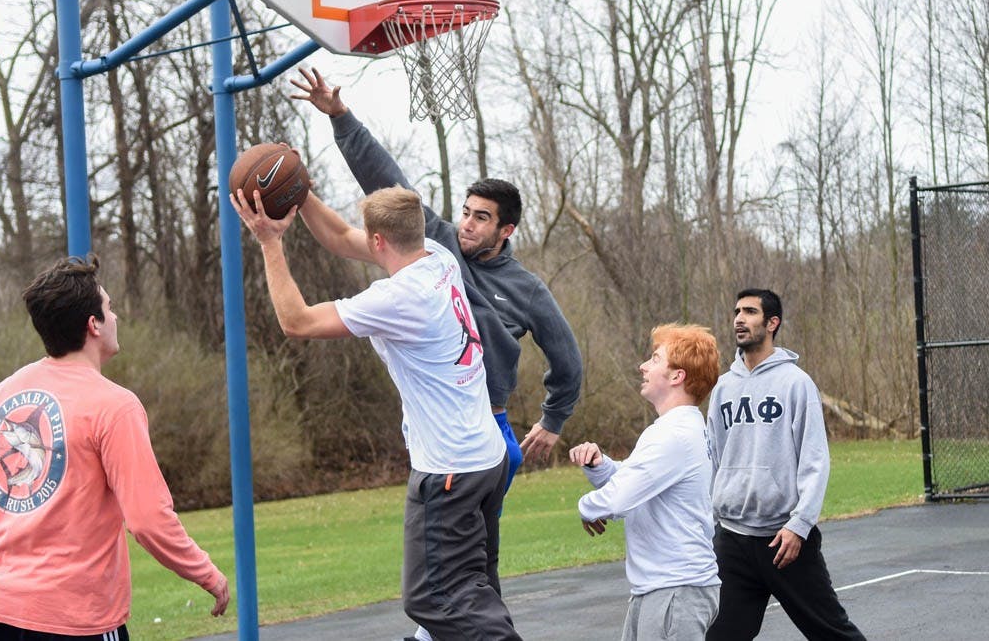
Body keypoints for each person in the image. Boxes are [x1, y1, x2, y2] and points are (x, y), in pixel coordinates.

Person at [230, 185, 522, 640]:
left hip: (450, 472)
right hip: (485, 455)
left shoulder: (398, 298)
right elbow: (344, 235)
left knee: (433, 598)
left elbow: (297, 321)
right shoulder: (439, 256)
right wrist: (301, 191)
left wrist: (270, 241)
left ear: (380, 242)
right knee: (473, 590)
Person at [289, 67, 583, 481]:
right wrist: (340, 116)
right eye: (466, 212)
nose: (467, 224)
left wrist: (553, 420)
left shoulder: (526, 289)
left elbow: (567, 358)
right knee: (463, 544)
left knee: (472, 545)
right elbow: (386, 181)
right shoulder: (436, 245)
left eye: (482, 218)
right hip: (443, 430)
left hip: (489, 430)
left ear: (506, 230)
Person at [0, 255, 229, 641]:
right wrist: (207, 573)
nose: (116, 317)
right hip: (73, 618)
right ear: (93, 326)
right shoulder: (114, 406)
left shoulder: (2, 396)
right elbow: (149, 520)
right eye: (109, 308)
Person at [705, 289, 865, 640]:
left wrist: (800, 525)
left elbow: (814, 460)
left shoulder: (796, 384)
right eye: (736, 312)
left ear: (772, 323)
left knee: (832, 633)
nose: (738, 319)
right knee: (719, 636)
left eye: (749, 312)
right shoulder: (722, 388)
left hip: (784, 541)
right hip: (732, 541)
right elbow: (712, 459)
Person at [569, 324, 721, 641]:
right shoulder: (673, 429)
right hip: (661, 588)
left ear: (677, 376)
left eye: (654, 359)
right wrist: (601, 467)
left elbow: (620, 498)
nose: (643, 366)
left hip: (676, 590)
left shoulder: (674, 434)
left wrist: (586, 507)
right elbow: (637, 483)